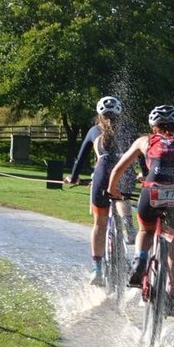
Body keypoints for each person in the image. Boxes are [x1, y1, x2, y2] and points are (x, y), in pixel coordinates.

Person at [107, 104, 174, 316]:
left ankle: (140, 260)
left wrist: (113, 191)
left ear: (153, 125)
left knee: (145, 231)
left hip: (151, 193)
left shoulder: (144, 141)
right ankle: (173, 298)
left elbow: (119, 168)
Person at [67, 96, 136, 286]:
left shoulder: (93, 131)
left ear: (99, 114)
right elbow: (142, 153)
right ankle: (128, 225)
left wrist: (73, 178)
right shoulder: (129, 130)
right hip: (125, 173)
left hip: (102, 173)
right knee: (122, 196)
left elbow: (80, 160)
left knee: (100, 223)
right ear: (120, 114)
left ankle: (97, 269)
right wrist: (144, 173)